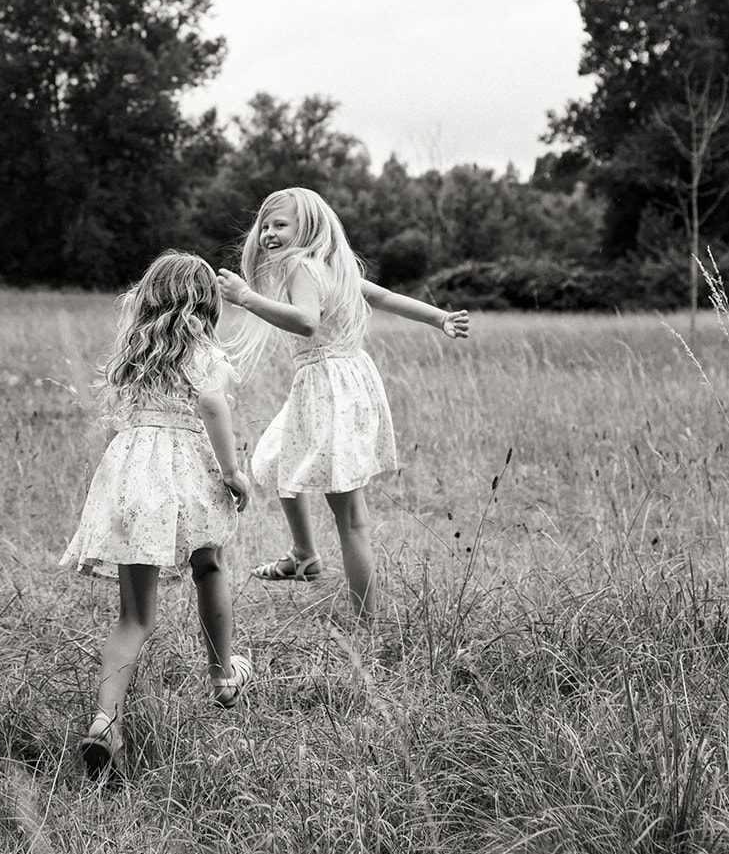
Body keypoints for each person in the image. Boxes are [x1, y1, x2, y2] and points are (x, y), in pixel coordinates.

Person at [217, 188, 468, 621]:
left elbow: (307, 323)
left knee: (350, 517)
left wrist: (245, 298)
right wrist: (438, 317)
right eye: (267, 226)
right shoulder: (333, 266)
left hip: (328, 386)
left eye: (282, 225)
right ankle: (304, 555)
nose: (270, 234)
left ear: (308, 227)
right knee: (275, 458)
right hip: (345, 382)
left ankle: (366, 621)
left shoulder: (300, 265)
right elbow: (385, 298)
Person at [62, 251, 252, 779]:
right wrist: (233, 471)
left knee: (133, 618)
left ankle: (105, 722)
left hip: (131, 475)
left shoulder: (135, 346)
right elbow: (212, 405)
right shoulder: (202, 349)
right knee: (209, 565)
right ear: (206, 304)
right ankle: (221, 677)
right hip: (185, 473)